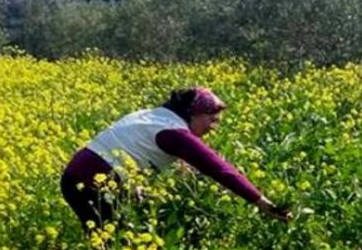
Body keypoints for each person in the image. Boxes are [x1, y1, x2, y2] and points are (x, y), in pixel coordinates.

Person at [61, 87, 290, 230]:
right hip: (90, 183)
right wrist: (261, 202)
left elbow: (125, 148)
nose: (214, 126)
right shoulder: (174, 133)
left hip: (80, 176)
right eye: (212, 119)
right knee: (115, 247)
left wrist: (129, 186)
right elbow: (220, 170)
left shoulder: (152, 116)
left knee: (112, 240)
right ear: (194, 114)